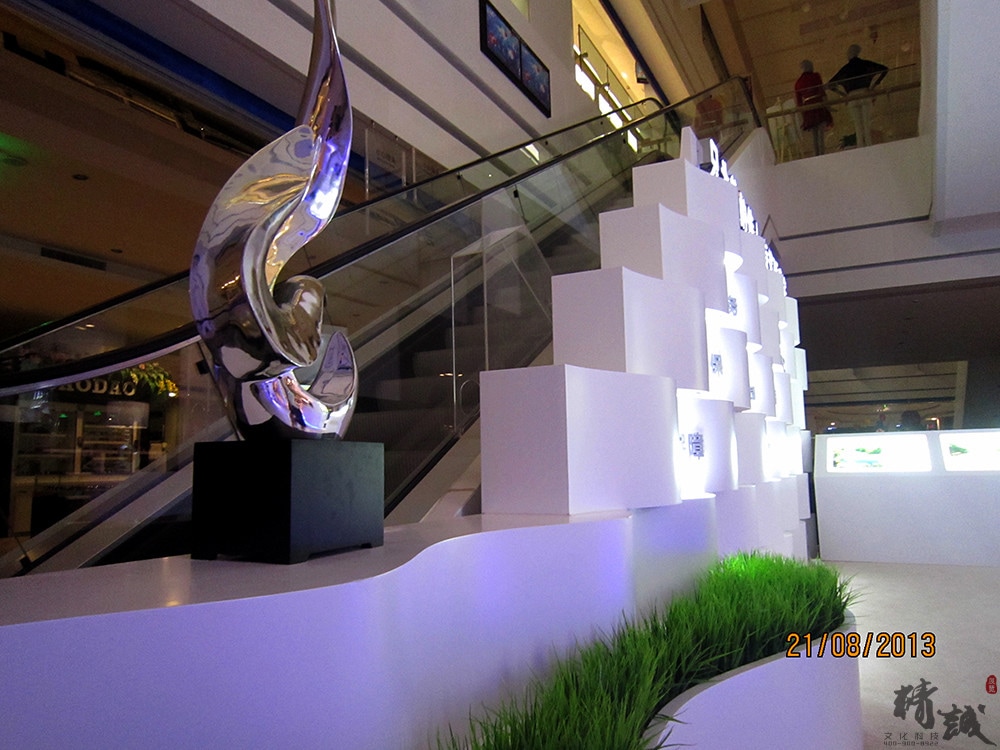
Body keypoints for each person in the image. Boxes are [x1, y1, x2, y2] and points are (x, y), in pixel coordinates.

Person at [828, 44, 888, 148]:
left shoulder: (846, 69)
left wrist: (844, 95)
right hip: (864, 93)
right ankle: (868, 146)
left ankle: (861, 146)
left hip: (852, 97)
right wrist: (873, 86)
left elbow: (831, 85)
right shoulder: (865, 64)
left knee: (858, 126)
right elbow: (884, 69)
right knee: (866, 124)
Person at [794, 60, 833, 155]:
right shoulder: (816, 76)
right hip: (818, 105)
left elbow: (799, 102)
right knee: (820, 134)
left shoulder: (798, 82)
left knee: (814, 135)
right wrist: (827, 106)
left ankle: (816, 154)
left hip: (808, 109)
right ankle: (822, 153)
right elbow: (822, 92)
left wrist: (803, 115)